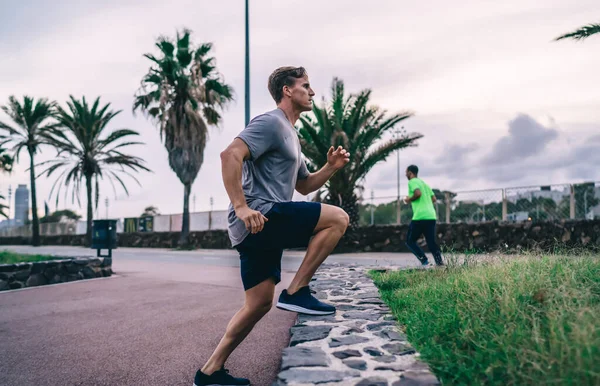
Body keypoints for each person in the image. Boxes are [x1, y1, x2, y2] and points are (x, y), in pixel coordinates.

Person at [193, 66, 351, 386]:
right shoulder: (270, 123)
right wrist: (241, 206)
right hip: (260, 214)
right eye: (306, 85)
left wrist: (330, 168)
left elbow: (305, 186)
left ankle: (209, 372)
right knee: (338, 218)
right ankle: (296, 291)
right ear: (287, 91)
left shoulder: (291, 134)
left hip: (258, 225)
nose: (312, 92)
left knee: (259, 303)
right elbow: (230, 155)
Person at [403, 164, 444, 266]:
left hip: (420, 216)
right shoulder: (424, 184)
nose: (405, 174)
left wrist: (409, 199)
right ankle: (440, 264)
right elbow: (434, 199)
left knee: (410, 241)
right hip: (431, 215)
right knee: (431, 242)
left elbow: (417, 194)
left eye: (406, 172)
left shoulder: (412, 182)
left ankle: (424, 261)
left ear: (410, 173)